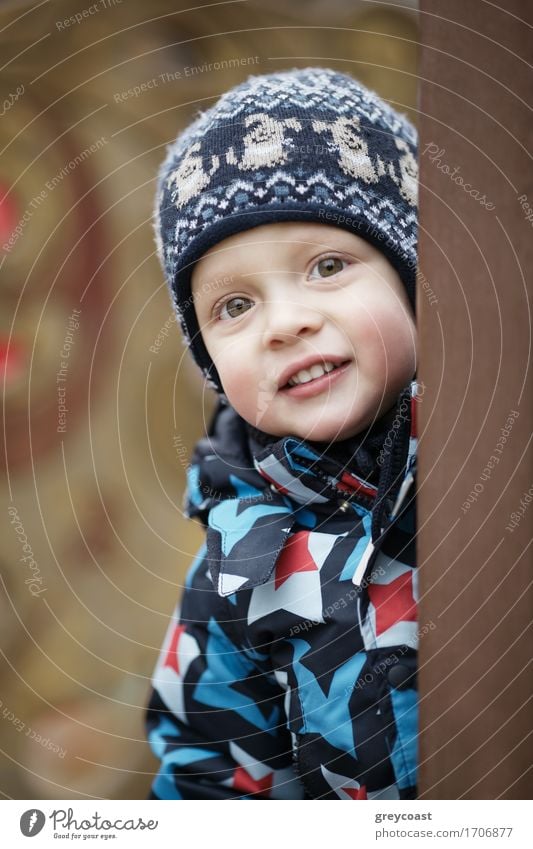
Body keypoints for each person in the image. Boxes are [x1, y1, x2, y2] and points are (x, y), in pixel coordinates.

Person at [145, 67, 420, 800]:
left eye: (327, 265)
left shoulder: (499, 468)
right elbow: (207, 772)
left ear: (415, 280)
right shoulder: (238, 557)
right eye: (233, 305)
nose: (283, 322)